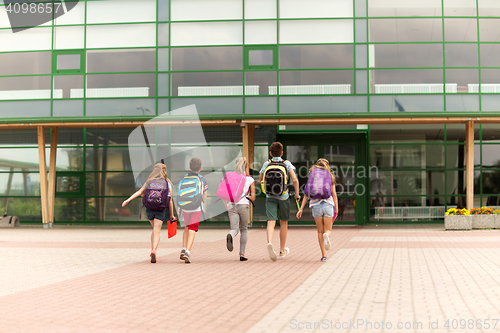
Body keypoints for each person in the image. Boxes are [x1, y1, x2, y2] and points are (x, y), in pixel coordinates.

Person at [122, 163, 174, 263]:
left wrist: (128, 200)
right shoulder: (167, 183)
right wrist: (171, 215)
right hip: (160, 209)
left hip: (149, 209)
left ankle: (152, 250)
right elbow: (170, 200)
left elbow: (139, 192)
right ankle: (154, 250)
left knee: (154, 230)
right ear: (164, 171)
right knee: (157, 230)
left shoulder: (149, 181)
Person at [258, 142, 300, 261]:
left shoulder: (267, 163)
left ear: (270, 153)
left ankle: (270, 242)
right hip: (284, 196)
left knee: (271, 221)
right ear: (282, 153)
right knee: (283, 222)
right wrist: (296, 194)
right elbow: (295, 180)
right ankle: (282, 250)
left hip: (270, 196)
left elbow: (260, 180)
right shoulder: (286, 163)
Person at [296, 158, 338, 262]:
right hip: (328, 205)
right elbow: (334, 194)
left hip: (316, 206)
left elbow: (306, 194)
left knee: (319, 231)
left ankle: (324, 255)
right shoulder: (330, 177)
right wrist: (336, 208)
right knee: (328, 230)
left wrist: (301, 209)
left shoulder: (312, 177)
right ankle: (326, 236)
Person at [223, 157, 256, 261]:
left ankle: (230, 235)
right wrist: (247, 197)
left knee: (234, 228)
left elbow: (223, 193)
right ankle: (242, 254)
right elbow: (253, 197)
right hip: (243, 205)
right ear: (246, 166)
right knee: (244, 229)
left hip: (232, 204)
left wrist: (226, 206)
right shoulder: (249, 179)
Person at [178, 157, 208, 263]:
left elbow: (181, 193)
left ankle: (183, 248)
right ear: (200, 168)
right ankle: (188, 251)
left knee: (186, 227)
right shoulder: (202, 179)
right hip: (196, 207)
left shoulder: (184, 177)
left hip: (185, 207)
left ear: (189, 167)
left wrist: (180, 207)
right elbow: (204, 196)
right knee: (192, 229)